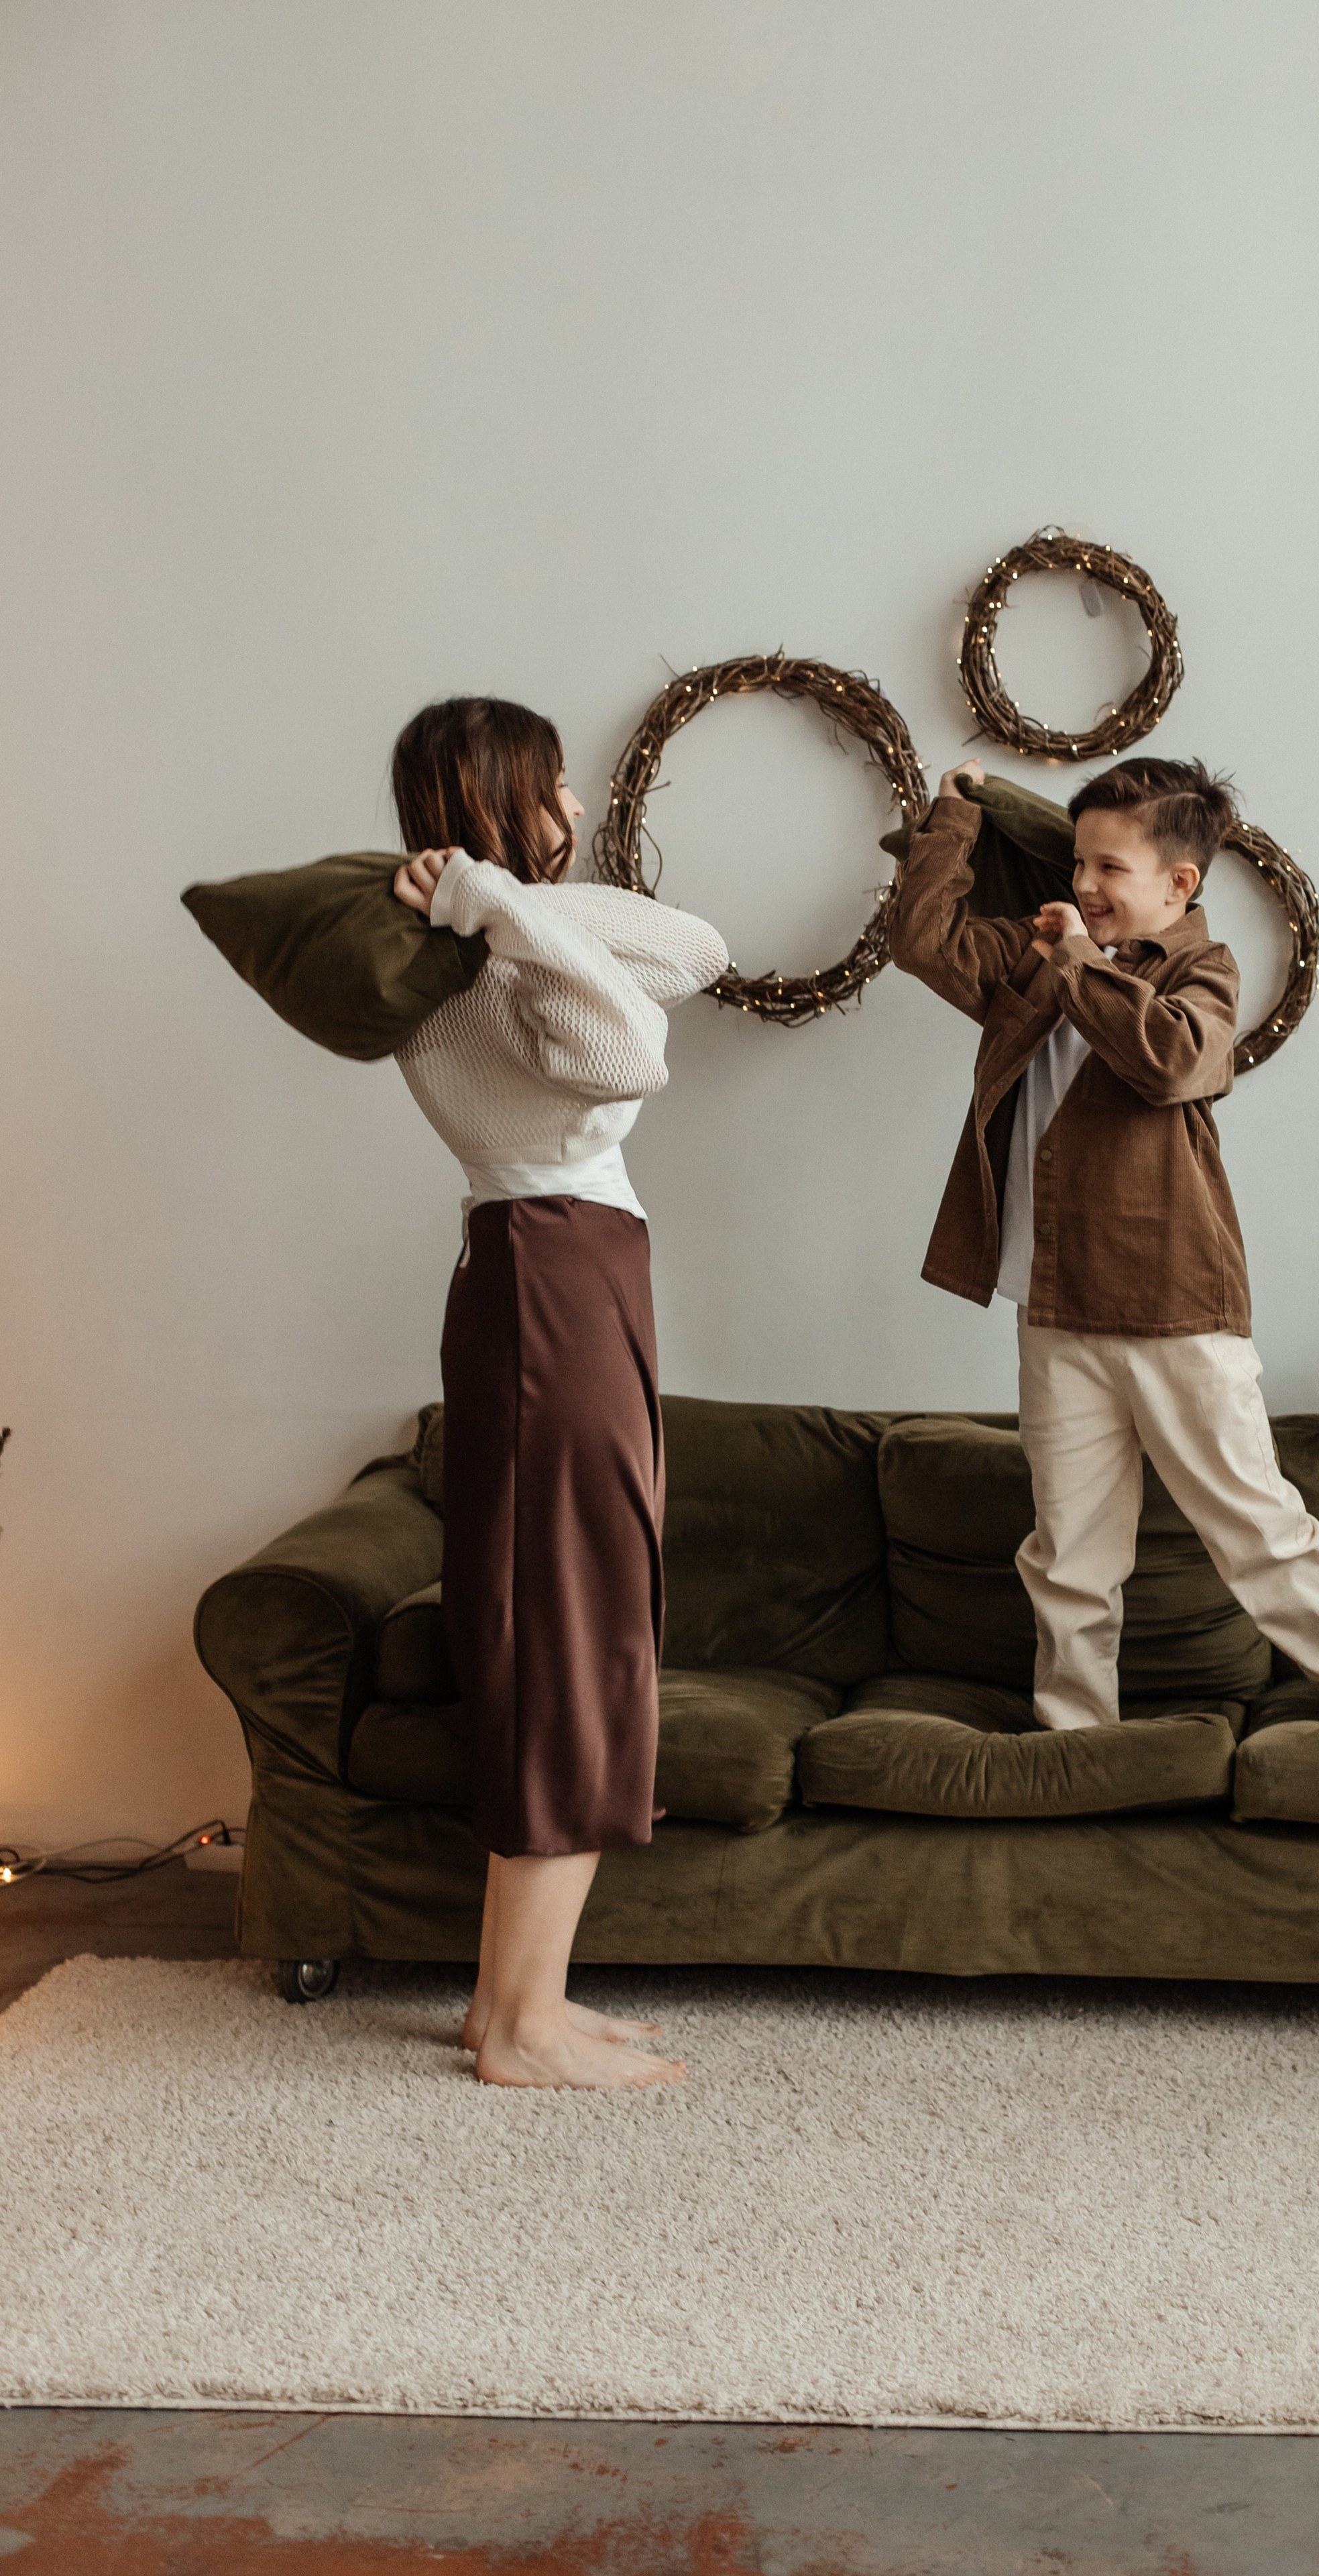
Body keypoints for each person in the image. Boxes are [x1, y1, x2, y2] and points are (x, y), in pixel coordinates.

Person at [888, 754, 1319, 1737]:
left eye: (1110, 869)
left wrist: (1080, 962)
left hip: (1172, 1303)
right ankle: (1077, 1743)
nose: (1084, 886)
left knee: (1256, 1527)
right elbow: (921, 943)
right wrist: (955, 818)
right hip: (1053, 1303)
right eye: (1078, 862)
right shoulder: (1041, 954)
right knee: (1069, 1552)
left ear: (1180, 883)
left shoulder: (1199, 971)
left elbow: (1173, 1062)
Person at [390, 695, 728, 2090]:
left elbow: (699, 951)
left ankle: (508, 2003)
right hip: (550, 1272)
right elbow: (631, 1053)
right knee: (561, 1627)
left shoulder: (498, 938)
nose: (578, 802)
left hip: (563, 1272)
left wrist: (505, 896)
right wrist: (501, 914)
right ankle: (521, 2027)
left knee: (574, 1614)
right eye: (554, 786)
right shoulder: (473, 974)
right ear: (503, 795)